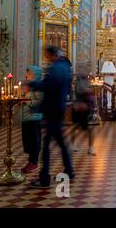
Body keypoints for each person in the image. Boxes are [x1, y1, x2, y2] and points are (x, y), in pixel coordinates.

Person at [29, 45, 74, 189]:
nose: (46, 59)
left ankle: (44, 179)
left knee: (47, 144)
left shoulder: (55, 68)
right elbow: (67, 88)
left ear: (51, 55)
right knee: (60, 142)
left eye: (47, 55)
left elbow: (48, 86)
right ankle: (69, 170)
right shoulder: (66, 67)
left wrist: (32, 84)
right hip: (59, 108)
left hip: (51, 109)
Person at [20, 66, 43, 173]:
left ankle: (33, 162)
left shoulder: (38, 86)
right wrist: (22, 94)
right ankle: (30, 161)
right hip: (26, 117)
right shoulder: (28, 85)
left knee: (34, 140)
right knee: (28, 140)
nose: (27, 75)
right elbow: (23, 98)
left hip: (34, 117)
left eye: (29, 74)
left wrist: (26, 100)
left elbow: (39, 102)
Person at [70, 75, 96, 156]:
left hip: (86, 108)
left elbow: (90, 90)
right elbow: (81, 90)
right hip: (80, 107)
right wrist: (88, 90)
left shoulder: (86, 80)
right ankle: (73, 145)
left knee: (90, 128)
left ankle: (90, 148)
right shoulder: (79, 81)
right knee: (76, 127)